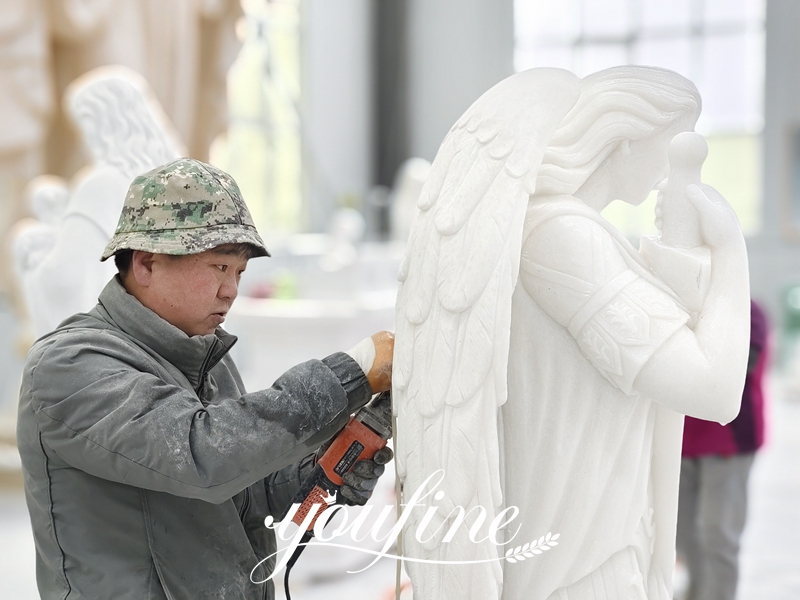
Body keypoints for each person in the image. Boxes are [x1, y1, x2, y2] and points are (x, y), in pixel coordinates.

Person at [394, 66, 750, 600]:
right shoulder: (565, 240)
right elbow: (714, 390)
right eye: (668, 145)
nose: (667, 171)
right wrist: (730, 252)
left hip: (585, 546)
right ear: (626, 139)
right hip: (580, 561)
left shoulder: (557, 232)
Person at [16, 157, 395, 600]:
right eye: (218, 267)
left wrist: (322, 468)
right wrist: (353, 371)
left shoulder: (204, 358)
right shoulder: (70, 364)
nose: (231, 289)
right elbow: (203, 457)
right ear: (146, 263)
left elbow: (243, 496)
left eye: (239, 272)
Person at [676, 300, 769, 600]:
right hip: (683, 440)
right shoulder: (678, 303)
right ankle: (697, 593)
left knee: (717, 535)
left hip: (727, 439)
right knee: (683, 534)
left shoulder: (746, 307)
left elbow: (743, 363)